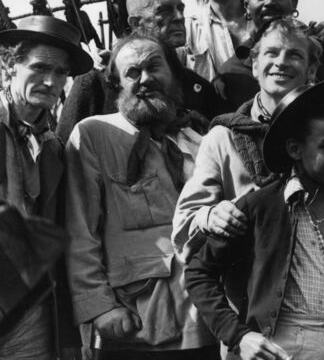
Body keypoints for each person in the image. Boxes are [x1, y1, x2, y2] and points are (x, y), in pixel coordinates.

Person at [186, 80, 324, 360]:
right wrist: (240, 335)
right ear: (294, 149)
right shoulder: (261, 207)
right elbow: (198, 272)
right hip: (283, 351)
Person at [64, 34, 219, 359]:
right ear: (117, 84)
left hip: (206, 324)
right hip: (133, 326)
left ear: (175, 76)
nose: (145, 79)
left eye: (154, 67)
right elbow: (80, 234)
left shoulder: (202, 142)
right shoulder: (94, 135)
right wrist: (100, 309)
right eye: (132, 73)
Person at [172, 17, 324, 264]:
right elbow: (185, 221)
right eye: (272, 53)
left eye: (295, 55)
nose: (281, 62)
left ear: (311, 71)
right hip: (255, 284)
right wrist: (212, 216)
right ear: (255, 65)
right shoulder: (223, 138)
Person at [0, 15, 91, 359]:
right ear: (9, 66)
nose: (51, 81)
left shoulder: (52, 148)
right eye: (39, 68)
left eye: (61, 73)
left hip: (28, 307)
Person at [57, 0, 221, 143]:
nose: (179, 17)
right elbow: (65, 150)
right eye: (164, 11)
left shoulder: (195, 86)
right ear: (136, 23)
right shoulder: (97, 83)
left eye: (180, 9)